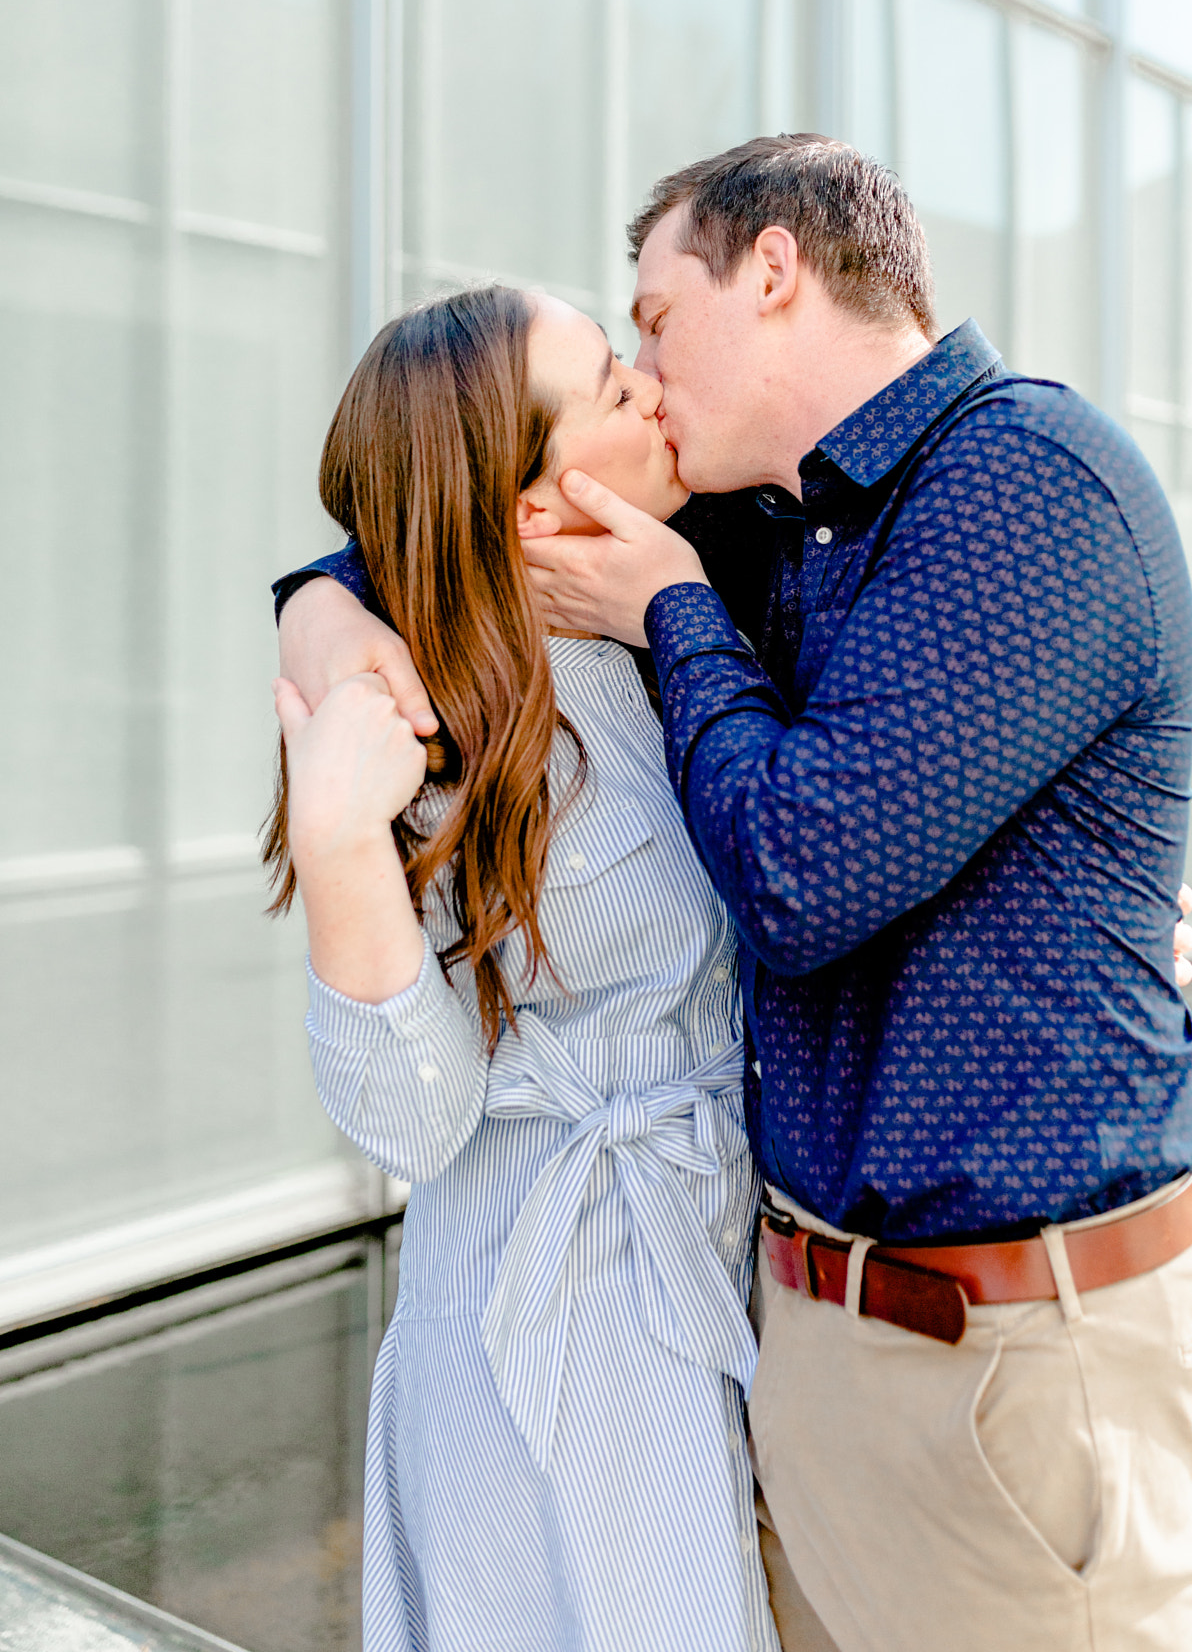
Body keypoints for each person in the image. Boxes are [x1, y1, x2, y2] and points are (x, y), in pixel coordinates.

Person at [276, 136, 1192, 1652]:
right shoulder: (770, 526)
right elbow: (421, 500)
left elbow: (798, 873)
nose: (648, 379)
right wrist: (331, 633)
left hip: (1014, 1349)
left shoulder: (1009, 486)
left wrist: (668, 606)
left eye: (652, 326)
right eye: (617, 371)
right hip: (775, 1333)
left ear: (776, 272)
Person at [267, 286, 780, 1652]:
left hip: (709, 1259)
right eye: (614, 389)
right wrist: (337, 842)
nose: (655, 392)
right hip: (540, 1323)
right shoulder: (418, 726)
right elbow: (411, 1120)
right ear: (531, 513)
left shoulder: (681, 609)